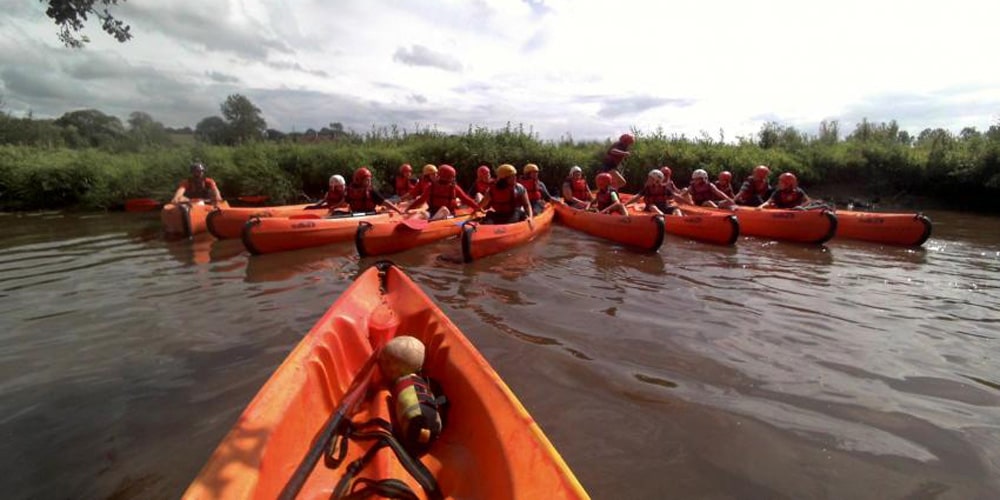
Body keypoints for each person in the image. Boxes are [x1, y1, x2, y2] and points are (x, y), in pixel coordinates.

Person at [407, 164, 481, 220]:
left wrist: (408, 209)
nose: (453, 178)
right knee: (428, 212)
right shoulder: (454, 188)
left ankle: (429, 221)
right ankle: (425, 221)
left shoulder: (431, 186)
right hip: (444, 214)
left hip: (440, 214)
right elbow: (466, 200)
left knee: (442, 210)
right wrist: (478, 208)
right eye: (452, 177)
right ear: (450, 177)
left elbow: (420, 200)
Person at [479, 164, 534, 228]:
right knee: (489, 216)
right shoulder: (491, 190)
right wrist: (474, 211)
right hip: (498, 214)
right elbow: (482, 204)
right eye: (512, 176)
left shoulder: (519, 188)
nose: (515, 178)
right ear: (504, 179)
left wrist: (530, 217)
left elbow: (527, 205)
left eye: (515, 175)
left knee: (513, 217)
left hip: (513, 213)